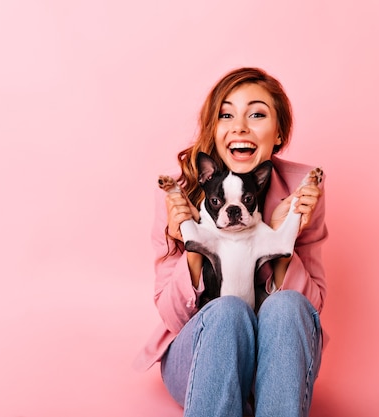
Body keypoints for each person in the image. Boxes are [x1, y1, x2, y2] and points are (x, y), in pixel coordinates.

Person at [134, 67, 328, 417]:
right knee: (227, 312)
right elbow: (173, 316)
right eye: (227, 114)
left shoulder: (302, 189)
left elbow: (311, 308)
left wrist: (282, 234)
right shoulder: (182, 192)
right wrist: (193, 246)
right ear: (215, 129)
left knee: (287, 307)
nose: (240, 126)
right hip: (200, 356)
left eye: (256, 113)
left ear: (279, 132)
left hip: (276, 365)